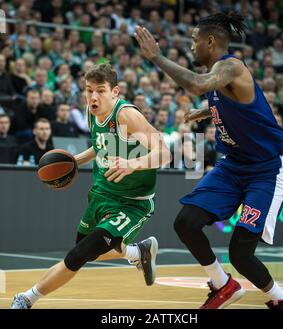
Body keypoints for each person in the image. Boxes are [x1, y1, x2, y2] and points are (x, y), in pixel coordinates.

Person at [135, 12, 283, 309]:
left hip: (268, 169)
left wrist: (157, 57)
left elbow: (199, 84)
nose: (191, 46)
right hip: (235, 163)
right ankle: (224, 285)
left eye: (195, 41)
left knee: (241, 254)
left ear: (211, 41)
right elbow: (227, 100)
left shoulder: (232, 67)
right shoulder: (220, 76)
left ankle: (282, 301)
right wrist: (206, 111)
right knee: (186, 222)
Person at [11, 64, 171, 309]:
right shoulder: (91, 111)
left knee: (78, 255)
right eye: (88, 90)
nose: (93, 96)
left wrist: (133, 163)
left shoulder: (126, 115)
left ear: (115, 92)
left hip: (131, 203)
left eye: (101, 90)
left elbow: (165, 153)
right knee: (85, 249)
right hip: (101, 193)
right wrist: (74, 162)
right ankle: (139, 253)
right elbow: (100, 146)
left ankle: (26, 298)